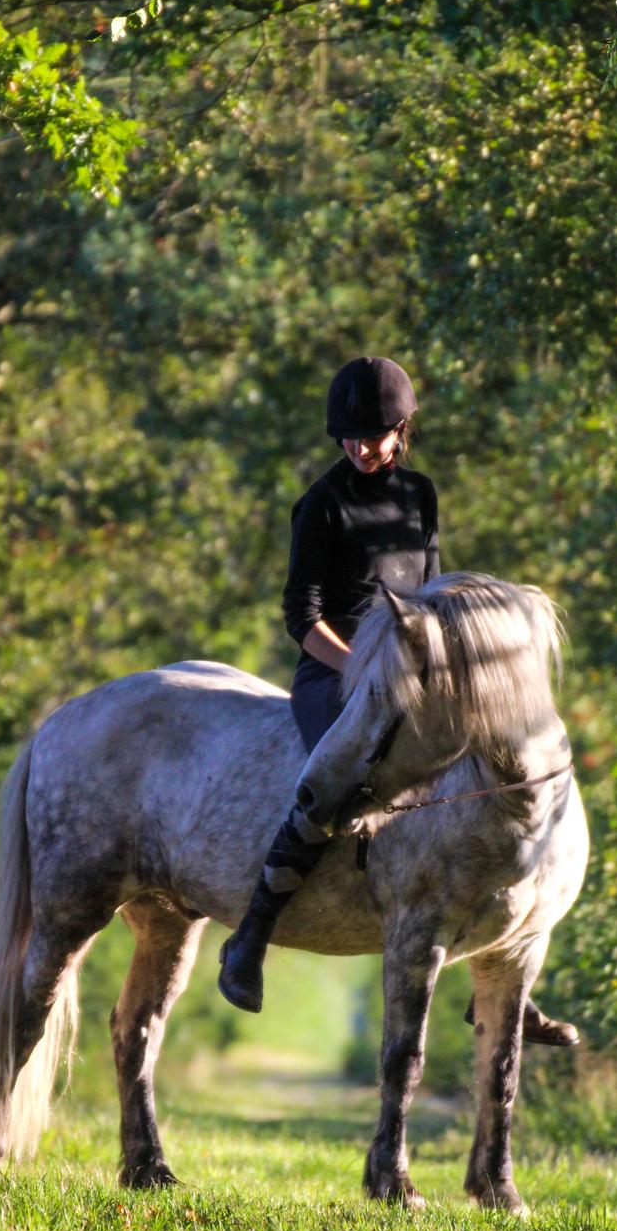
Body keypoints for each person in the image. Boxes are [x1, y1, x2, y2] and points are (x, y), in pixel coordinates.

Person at [218, 355, 579, 1048]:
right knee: (333, 780)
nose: (360, 446)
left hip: (421, 671)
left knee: (500, 779)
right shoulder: (321, 503)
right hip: (339, 669)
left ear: (402, 427)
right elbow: (302, 613)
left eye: (375, 433)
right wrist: (363, 670)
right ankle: (252, 932)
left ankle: (505, 975)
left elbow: (432, 591)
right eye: (349, 435)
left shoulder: (420, 494)